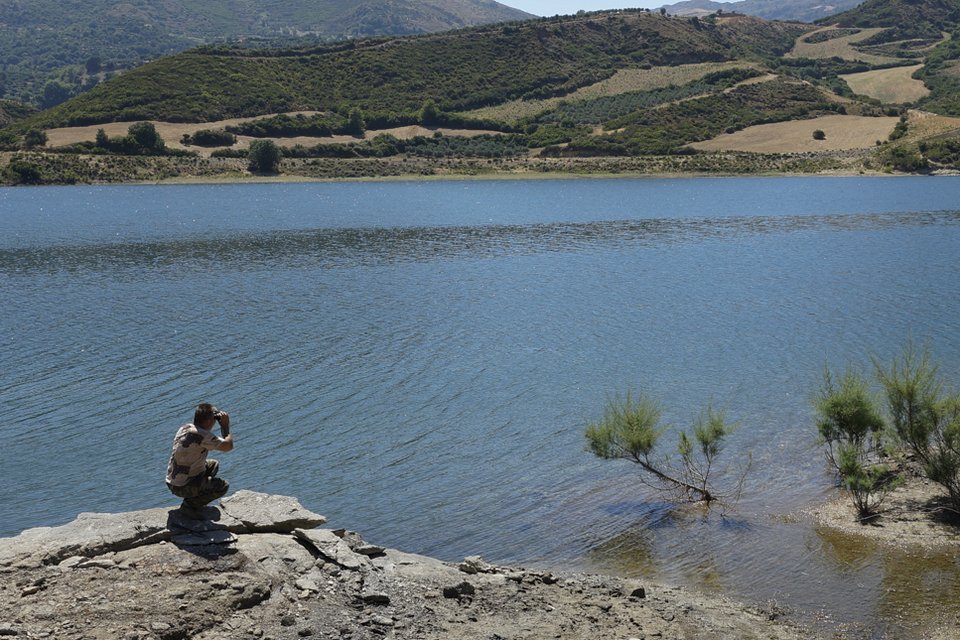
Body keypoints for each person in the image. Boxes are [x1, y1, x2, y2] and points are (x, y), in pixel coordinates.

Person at [165, 403, 234, 512]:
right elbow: (228, 446)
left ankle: (194, 494)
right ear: (208, 421)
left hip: (172, 482)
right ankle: (189, 506)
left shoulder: (184, 428)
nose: (215, 422)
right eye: (214, 419)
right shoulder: (203, 436)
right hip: (182, 487)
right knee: (223, 486)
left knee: (213, 465)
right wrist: (225, 426)